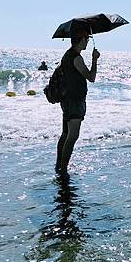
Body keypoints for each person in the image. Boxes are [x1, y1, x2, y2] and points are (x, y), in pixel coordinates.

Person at [55, 26, 100, 176]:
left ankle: (59, 165)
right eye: (87, 38)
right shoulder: (76, 57)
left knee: (65, 134)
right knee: (72, 136)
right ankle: (63, 168)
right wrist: (94, 60)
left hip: (67, 99)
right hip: (74, 100)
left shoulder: (67, 55)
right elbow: (91, 77)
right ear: (81, 40)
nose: (87, 41)